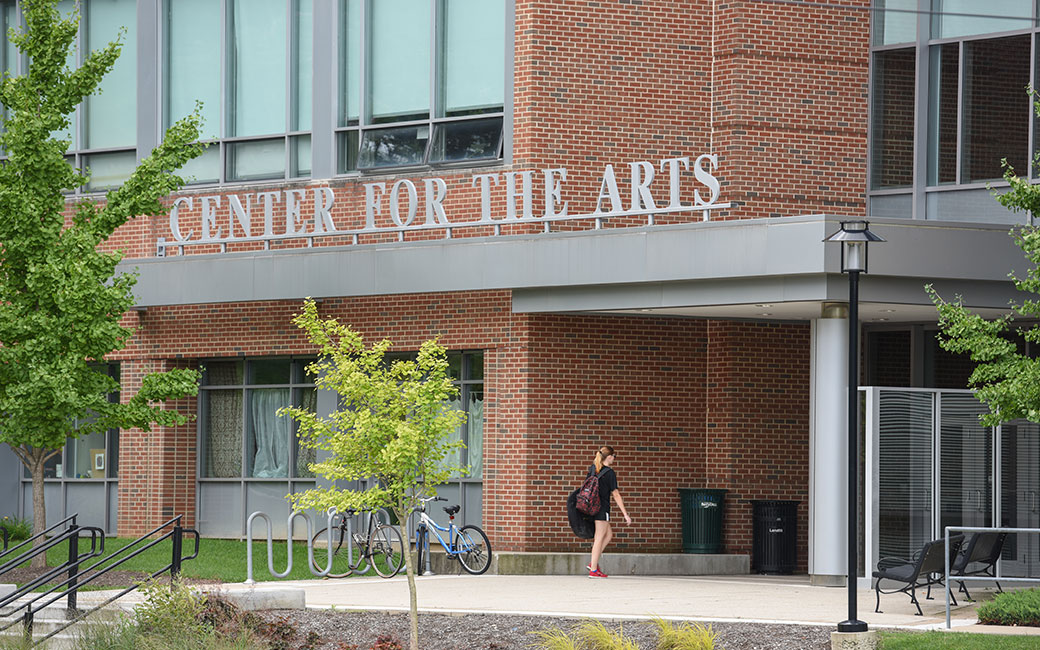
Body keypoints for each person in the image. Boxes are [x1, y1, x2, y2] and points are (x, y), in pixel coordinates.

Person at [586, 445, 631, 578]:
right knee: (599, 538)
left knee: (608, 535)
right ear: (609, 457)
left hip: (592, 507)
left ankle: (593, 562)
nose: (614, 459)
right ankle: (593, 569)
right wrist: (625, 514)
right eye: (614, 456)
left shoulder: (593, 469)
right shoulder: (609, 473)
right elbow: (616, 494)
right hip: (602, 508)